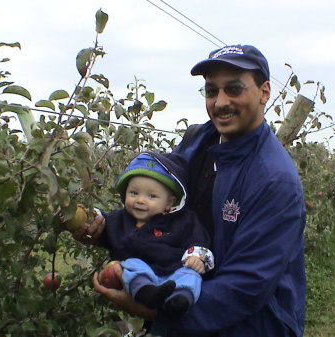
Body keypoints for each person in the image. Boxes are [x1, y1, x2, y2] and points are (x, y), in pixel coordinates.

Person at [82, 44, 306, 337]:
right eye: (212, 91)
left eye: (234, 89)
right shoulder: (197, 143)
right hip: (191, 311)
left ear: (265, 92)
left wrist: (153, 310)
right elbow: (162, 213)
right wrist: (109, 228)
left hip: (251, 326)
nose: (220, 102)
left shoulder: (275, 182)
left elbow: (246, 286)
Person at [95, 151, 214, 320]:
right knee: (130, 266)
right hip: (143, 273)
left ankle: (180, 301)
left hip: (175, 271)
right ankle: (147, 293)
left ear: (169, 202)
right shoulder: (120, 219)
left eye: (151, 196)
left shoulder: (183, 221)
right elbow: (102, 223)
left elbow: (198, 239)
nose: (140, 200)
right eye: (134, 193)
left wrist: (196, 258)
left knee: (191, 276)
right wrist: (91, 217)